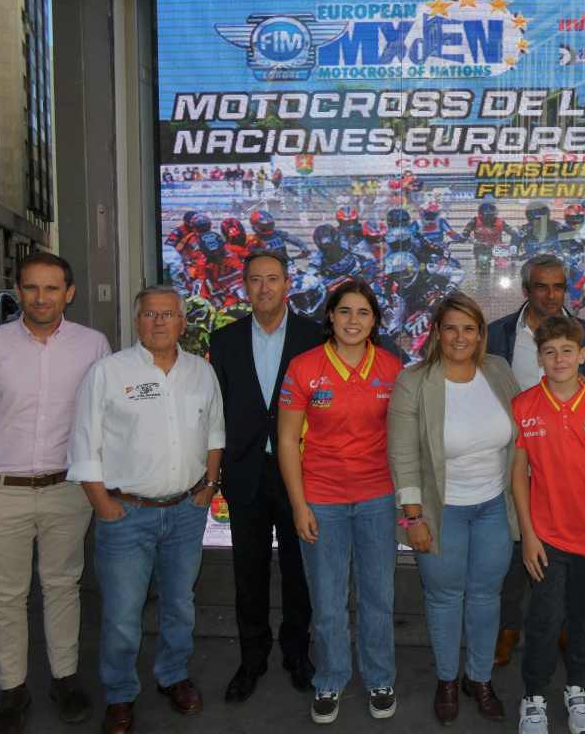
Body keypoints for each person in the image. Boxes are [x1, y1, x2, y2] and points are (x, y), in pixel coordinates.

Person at [0, 252, 110, 734]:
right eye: (32, 288)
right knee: (6, 596)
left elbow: (101, 420)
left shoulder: (92, 345)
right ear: (19, 292)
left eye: (52, 288)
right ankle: (12, 690)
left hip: (67, 491)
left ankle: (64, 679)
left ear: (69, 293)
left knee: (63, 588)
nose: (42, 298)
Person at [67, 285, 224, 734]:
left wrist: (209, 487)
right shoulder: (108, 372)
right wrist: (103, 505)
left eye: (168, 314)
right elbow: (84, 441)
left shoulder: (200, 372)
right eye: (150, 314)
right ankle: (119, 694)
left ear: (183, 321)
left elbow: (215, 432)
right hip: (126, 514)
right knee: (121, 612)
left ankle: (173, 676)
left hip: (185, 511)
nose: (159, 322)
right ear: (136, 321)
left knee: (180, 604)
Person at [387, 293, 520, 725]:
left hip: (494, 508)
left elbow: (521, 438)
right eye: (451, 328)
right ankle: (447, 679)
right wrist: (413, 517)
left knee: (486, 597)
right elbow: (402, 455)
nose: (460, 337)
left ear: (480, 333)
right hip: (440, 512)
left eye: (469, 328)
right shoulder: (415, 381)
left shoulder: (498, 371)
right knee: (444, 597)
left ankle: (478, 678)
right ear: (437, 333)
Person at [277, 279, 402, 725]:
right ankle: (329, 678)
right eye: (345, 311)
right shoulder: (305, 366)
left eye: (363, 313)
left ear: (375, 321)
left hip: (377, 498)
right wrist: (299, 504)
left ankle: (379, 677)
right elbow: (288, 440)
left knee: (378, 595)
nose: (353, 321)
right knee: (327, 599)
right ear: (330, 316)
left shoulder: (391, 367)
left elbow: (403, 440)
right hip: (322, 499)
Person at [208, 251, 325, 704]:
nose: (263, 288)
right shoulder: (225, 339)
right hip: (246, 474)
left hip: (302, 476)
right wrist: (214, 477)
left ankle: (297, 655)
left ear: (287, 284)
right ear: (245, 285)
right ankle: (251, 659)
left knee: (300, 572)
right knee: (248, 574)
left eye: (272, 279)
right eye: (255, 280)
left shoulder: (316, 338)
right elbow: (216, 413)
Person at [512, 316, 585, 734]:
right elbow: (518, 475)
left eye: (566, 351)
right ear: (539, 359)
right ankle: (535, 696)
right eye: (549, 352)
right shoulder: (525, 405)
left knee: (583, 618)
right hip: (546, 538)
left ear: (582, 355)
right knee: (543, 620)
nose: (558, 358)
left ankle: (578, 689)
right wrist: (527, 535)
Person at [487, 254, 585, 666]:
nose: (551, 295)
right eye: (542, 286)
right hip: (514, 459)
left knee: (565, 551)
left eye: (558, 287)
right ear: (526, 290)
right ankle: (509, 626)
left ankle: (565, 625)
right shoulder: (498, 334)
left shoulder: (584, 332)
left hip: (565, 464)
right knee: (517, 546)